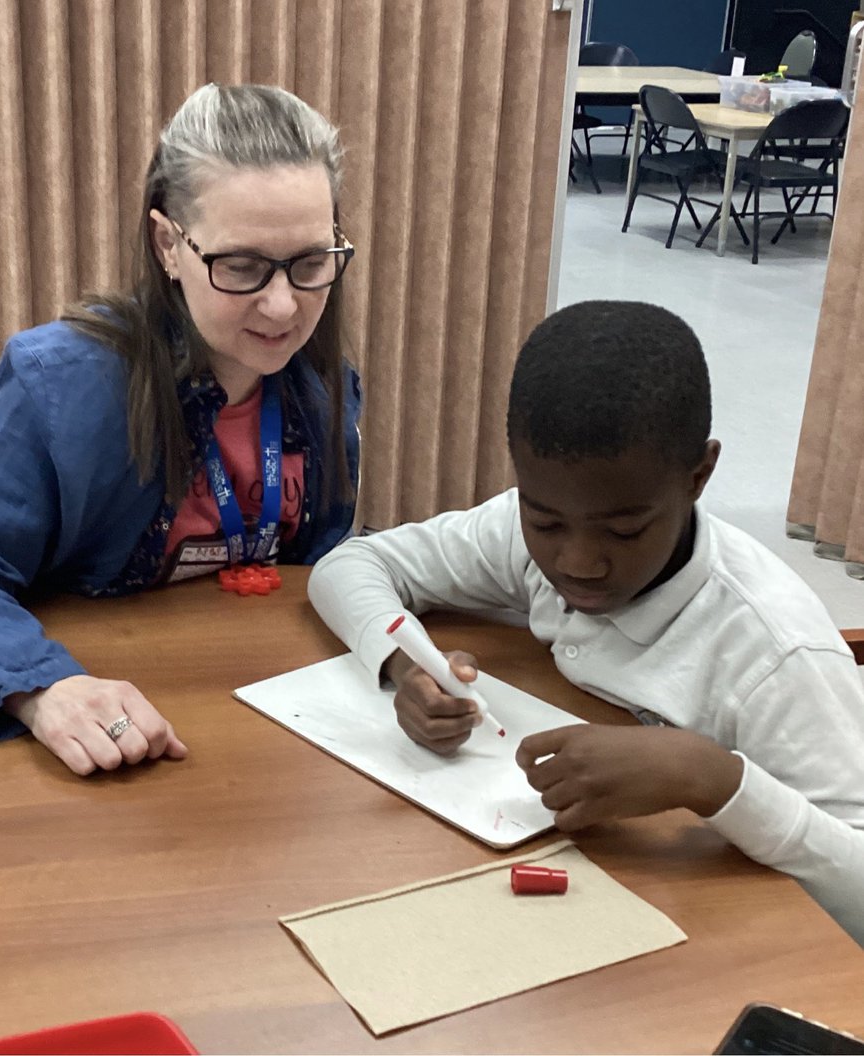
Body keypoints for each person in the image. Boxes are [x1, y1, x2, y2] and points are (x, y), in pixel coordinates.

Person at [308, 300, 864, 945]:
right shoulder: (535, 529)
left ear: (699, 477)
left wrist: (709, 777)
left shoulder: (775, 655)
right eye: (544, 522)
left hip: (716, 947)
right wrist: (411, 663)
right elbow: (353, 563)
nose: (575, 562)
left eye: (625, 529)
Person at [0, 83, 361, 776]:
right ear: (168, 244)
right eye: (242, 266)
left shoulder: (321, 390)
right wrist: (43, 688)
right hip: (97, 737)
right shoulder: (62, 385)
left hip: (258, 729)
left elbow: (322, 563)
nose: (283, 306)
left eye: (311, 263)